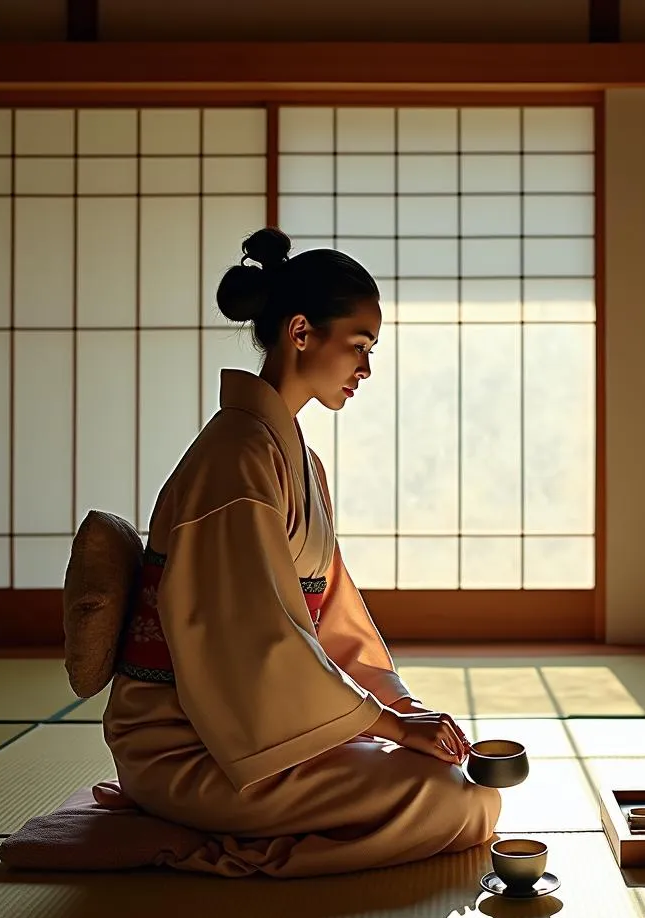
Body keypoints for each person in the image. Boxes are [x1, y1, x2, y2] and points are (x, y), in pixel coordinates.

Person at [103, 227, 500, 874]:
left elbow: (332, 624)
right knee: (455, 804)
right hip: (190, 747)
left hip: (254, 727)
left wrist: (404, 711)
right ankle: (251, 851)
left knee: (460, 787)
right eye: (360, 346)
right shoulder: (237, 460)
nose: (366, 368)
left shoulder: (295, 461)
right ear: (300, 333)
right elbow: (257, 644)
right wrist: (392, 731)